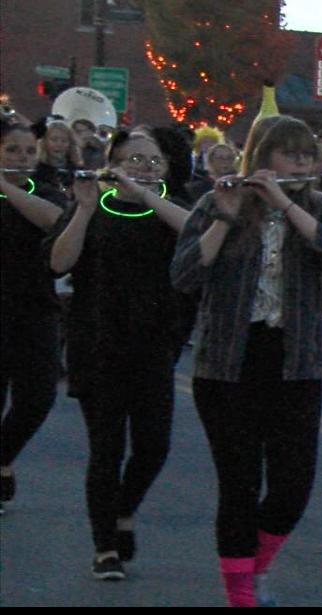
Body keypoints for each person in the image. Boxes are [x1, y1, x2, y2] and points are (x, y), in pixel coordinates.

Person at [171, 115, 322, 607]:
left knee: (292, 487)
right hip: (229, 362)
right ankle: (241, 593)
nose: (301, 163)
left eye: (306, 155)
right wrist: (224, 217)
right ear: (261, 158)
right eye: (289, 154)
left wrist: (286, 205)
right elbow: (185, 276)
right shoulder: (218, 202)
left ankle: (254, 569)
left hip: (294, 361)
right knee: (238, 484)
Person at [47, 129, 193, 581]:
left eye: (153, 162)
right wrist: (86, 208)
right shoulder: (94, 204)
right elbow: (58, 263)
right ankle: (104, 546)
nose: (145, 168)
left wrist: (148, 195)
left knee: (154, 445)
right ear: (114, 162)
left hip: (153, 342)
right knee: (106, 449)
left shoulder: (172, 205)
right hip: (98, 341)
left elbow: (198, 235)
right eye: (134, 160)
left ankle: (124, 510)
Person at [1, 118, 67, 516]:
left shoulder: (44, 190)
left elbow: (53, 220)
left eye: (29, 151)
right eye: (12, 151)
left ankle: (3, 455)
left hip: (36, 309)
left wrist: (6, 186)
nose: (22, 158)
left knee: (38, 397)